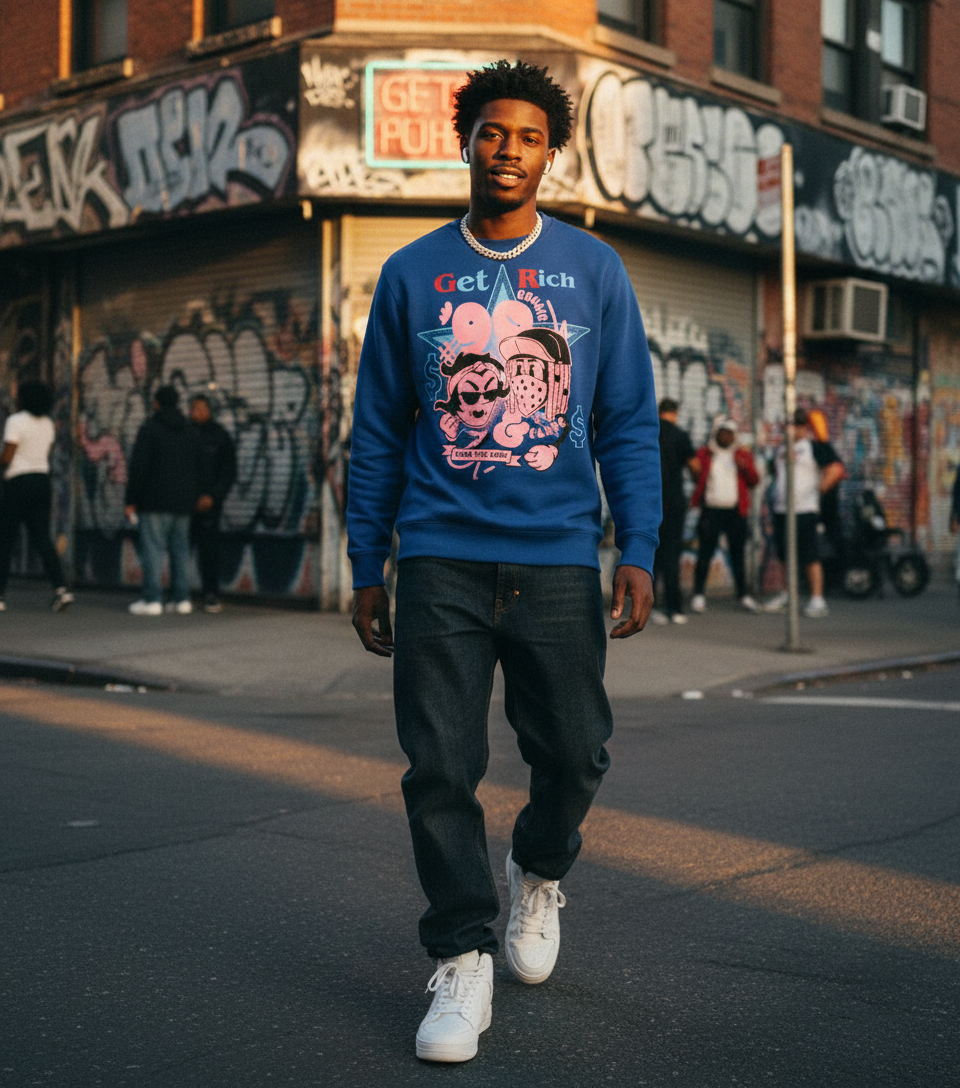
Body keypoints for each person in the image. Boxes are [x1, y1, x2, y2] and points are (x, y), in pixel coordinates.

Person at [346, 60, 660, 1064]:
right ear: (467, 142)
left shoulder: (593, 269)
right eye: (491, 133)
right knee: (440, 765)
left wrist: (640, 544)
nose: (508, 150)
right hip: (439, 553)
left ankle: (539, 866)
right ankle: (461, 952)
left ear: (548, 152)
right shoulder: (411, 273)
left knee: (574, 751)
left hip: (560, 556)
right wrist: (366, 556)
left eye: (526, 136)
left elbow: (626, 422)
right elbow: (377, 430)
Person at [124, 385, 201, 616]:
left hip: (154, 500)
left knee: (153, 549)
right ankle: (182, 599)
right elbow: (198, 465)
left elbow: (139, 468)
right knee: (180, 549)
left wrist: (131, 499)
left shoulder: (150, 429)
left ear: (156, 403)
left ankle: (152, 599)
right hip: (184, 502)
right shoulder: (190, 430)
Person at [763, 408, 844, 618]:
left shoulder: (815, 447)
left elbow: (835, 469)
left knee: (810, 555)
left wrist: (818, 491)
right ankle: (785, 594)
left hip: (805, 510)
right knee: (783, 555)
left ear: (804, 427)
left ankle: (817, 599)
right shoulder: (781, 449)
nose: (792, 430)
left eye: (797, 426)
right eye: (789, 426)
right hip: (782, 510)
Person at [0, 380, 73, 612]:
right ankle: (61, 589)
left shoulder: (15, 421)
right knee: (41, 538)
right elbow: (45, 453)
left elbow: (8, 456)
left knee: (6, 539)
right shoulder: (48, 424)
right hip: (42, 482)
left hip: (18, 482)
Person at [689, 417, 760, 613]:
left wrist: (744, 467)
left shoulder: (741, 455)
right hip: (711, 510)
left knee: (737, 554)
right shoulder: (706, 453)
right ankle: (698, 595)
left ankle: (743, 595)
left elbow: (755, 480)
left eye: (730, 434)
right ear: (716, 433)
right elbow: (695, 474)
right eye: (723, 433)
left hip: (735, 511)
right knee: (705, 553)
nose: (726, 437)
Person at [651, 398, 699, 624]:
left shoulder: (650, 432)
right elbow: (696, 467)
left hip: (651, 501)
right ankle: (675, 608)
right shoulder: (680, 435)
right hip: (673, 503)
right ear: (675, 413)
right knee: (671, 555)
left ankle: (650, 607)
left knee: (651, 554)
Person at [190, 394, 237, 613]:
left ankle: (211, 593)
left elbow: (228, 471)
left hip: (210, 505)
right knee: (181, 548)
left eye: (201, 408)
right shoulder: (185, 434)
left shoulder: (220, 436)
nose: (197, 413)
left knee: (209, 551)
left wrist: (213, 496)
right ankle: (180, 594)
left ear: (209, 410)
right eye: (194, 408)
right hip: (186, 504)